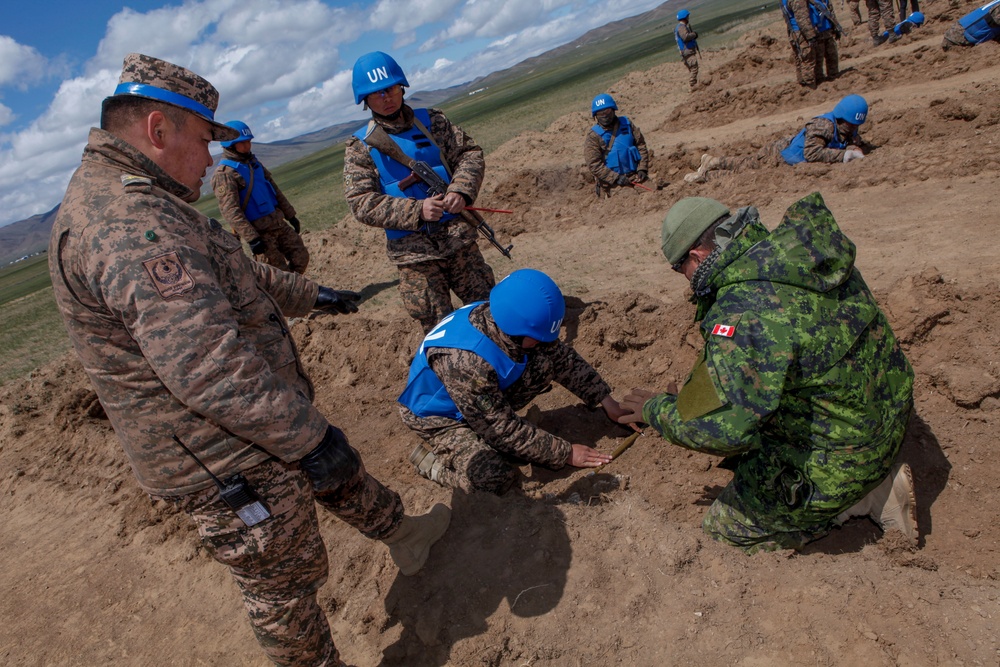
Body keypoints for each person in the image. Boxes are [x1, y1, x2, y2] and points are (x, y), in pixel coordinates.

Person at [48, 53, 450, 667]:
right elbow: (205, 366)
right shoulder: (128, 222)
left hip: (249, 428)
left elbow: (231, 270)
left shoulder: (140, 198)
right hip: (220, 452)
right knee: (281, 585)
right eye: (204, 139)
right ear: (158, 130)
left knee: (331, 473)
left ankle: (403, 534)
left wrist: (314, 295)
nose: (211, 159)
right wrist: (308, 438)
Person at [616, 193, 917, 554]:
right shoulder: (794, 255)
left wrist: (658, 410)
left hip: (849, 453)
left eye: (680, 269)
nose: (685, 278)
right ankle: (865, 480)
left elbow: (723, 431)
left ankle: (862, 499)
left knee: (721, 535)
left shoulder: (745, 308)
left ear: (696, 256)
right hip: (889, 413)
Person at [398, 268, 632, 495]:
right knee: (494, 478)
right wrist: (566, 453)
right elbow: (500, 430)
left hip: (475, 398)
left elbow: (562, 358)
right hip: (440, 418)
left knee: (544, 360)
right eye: (538, 336)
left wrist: (606, 400)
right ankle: (435, 467)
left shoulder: (501, 317)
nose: (546, 341)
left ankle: (511, 439)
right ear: (517, 331)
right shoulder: (466, 363)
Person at [343, 51, 496, 334]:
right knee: (442, 332)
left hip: (458, 242)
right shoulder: (361, 147)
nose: (386, 98)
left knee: (490, 315)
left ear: (401, 87)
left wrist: (461, 190)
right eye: (376, 94)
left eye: (390, 89)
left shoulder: (433, 122)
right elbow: (360, 203)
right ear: (365, 101)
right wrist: (417, 211)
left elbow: (469, 154)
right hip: (415, 258)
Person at [684, 94, 872, 183]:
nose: (853, 128)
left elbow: (849, 140)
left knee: (747, 163)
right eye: (851, 124)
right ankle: (705, 175)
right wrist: (844, 156)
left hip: (785, 152)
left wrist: (853, 146)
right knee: (745, 173)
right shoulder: (824, 125)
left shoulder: (845, 128)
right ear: (842, 118)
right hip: (780, 155)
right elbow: (812, 152)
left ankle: (713, 161)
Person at [211, 120, 310, 273]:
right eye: (242, 143)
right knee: (278, 274)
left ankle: (294, 291)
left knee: (301, 257)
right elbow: (230, 210)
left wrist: (291, 215)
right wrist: (252, 238)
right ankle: (289, 293)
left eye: (249, 142)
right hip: (261, 234)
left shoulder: (254, 164)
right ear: (230, 144)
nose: (247, 146)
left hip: (278, 222)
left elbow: (274, 190)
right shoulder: (225, 174)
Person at [584, 93, 650, 198]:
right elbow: (594, 164)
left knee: (653, 192)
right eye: (601, 113)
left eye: (607, 111)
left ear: (614, 110)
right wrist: (615, 178)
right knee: (628, 199)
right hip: (613, 184)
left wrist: (642, 168)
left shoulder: (627, 124)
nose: (605, 115)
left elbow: (640, 145)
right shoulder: (594, 136)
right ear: (596, 116)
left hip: (635, 176)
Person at [781, 0, 841, 88]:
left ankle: (808, 83)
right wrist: (810, 36)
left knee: (804, 59)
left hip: (799, 32)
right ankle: (810, 86)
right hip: (802, 32)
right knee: (809, 60)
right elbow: (802, 18)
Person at [674, 9, 701, 91]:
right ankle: (693, 86)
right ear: (685, 17)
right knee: (694, 68)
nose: (689, 18)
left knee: (692, 69)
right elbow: (685, 37)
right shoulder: (681, 27)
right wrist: (694, 34)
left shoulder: (680, 27)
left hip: (686, 52)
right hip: (687, 52)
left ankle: (695, 86)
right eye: (688, 17)